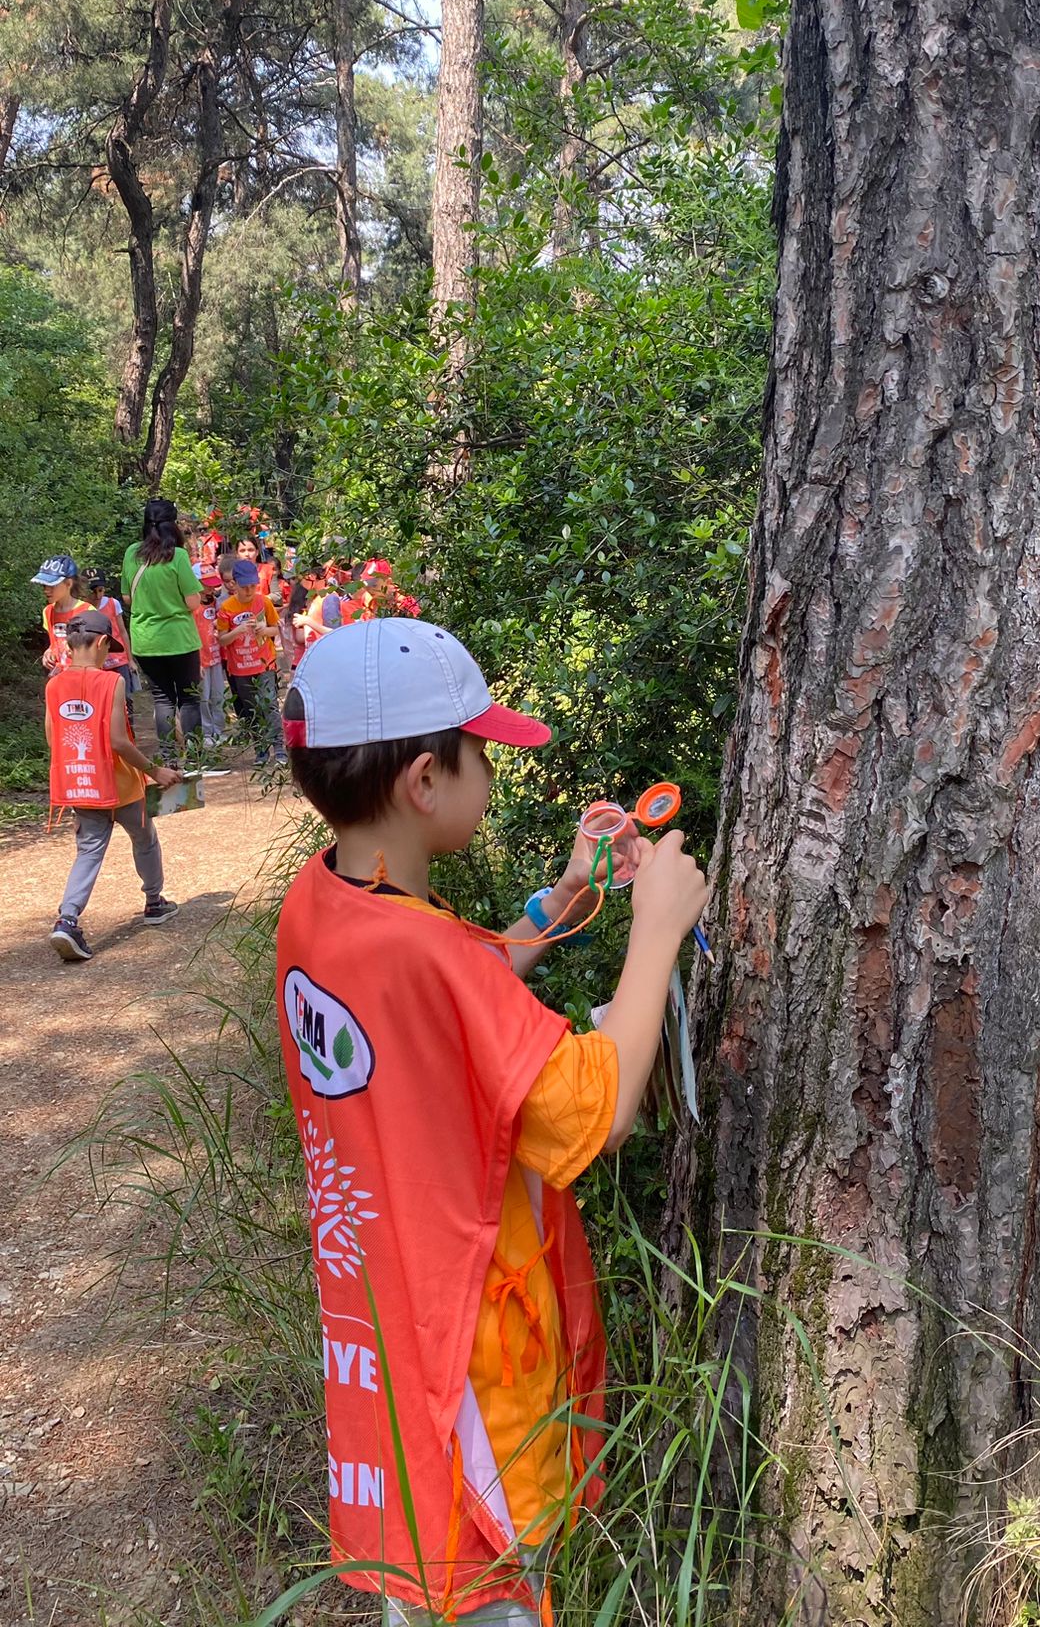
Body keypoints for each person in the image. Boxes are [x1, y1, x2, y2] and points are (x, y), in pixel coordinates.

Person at [275, 618, 707, 1623]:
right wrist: (655, 934)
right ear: (426, 780)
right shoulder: (424, 953)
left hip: (386, 1323)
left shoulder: (324, 905)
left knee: (421, 1572)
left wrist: (562, 903)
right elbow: (593, 1110)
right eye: (482, 756)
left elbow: (448, 993)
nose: (492, 776)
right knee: (486, 1583)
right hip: (469, 1347)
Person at [45, 610, 181, 962]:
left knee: (89, 850)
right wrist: (155, 771)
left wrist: (76, 788)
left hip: (81, 783)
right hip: (119, 786)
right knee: (144, 838)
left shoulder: (54, 684)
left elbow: (52, 737)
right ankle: (154, 902)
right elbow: (118, 740)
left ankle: (67, 918)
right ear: (103, 642)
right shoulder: (112, 682)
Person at [121, 498, 203, 764]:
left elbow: (127, 598)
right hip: (179, 638)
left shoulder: (132, 553)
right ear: (173, 524)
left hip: (146, 640)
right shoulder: (177, 555)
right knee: (188, 699)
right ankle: (196, 757)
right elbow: (193, 601)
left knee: (162, 699)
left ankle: (168, 757)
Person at [217, 556, 286, 764]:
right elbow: (222, 640)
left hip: (264, 663)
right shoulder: (227, 608)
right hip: (240, 668)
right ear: (234, 584)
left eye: (253, 586)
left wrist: (264, 630)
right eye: (245, 586)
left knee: (269, 704)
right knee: (251, 709)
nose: (249, 591)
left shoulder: (263, 601)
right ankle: (261, 749)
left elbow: (276, 628)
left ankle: (279, 747)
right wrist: (237, 630)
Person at [83, 568, 136, 710]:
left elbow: (123, 632)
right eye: (92, 591)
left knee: (125, 699)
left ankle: (128, 729)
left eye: (100, 590)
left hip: (119, 659)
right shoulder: (82, 608)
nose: (97, 595)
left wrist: (130, 660)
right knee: (101, 701)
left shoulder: (113, 604)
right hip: (95, 663)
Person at [32, 554, 89, 673]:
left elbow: (99, 651)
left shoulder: (88, 612)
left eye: (51, 585)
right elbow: (54, 643)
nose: (46, 590)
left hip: (83, 677)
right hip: (58, 677)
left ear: (68, 584)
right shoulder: (47, 611)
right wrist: (49, 652)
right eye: (44, 585)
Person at [194, 571, 227, 747]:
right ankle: (206, 732)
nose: (211, 589)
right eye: (207, 585)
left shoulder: (215, 603)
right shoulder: (192, 607)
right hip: (201, 659)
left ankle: (218, 730)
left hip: (216, 657)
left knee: (218, 695)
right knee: (203, 697)